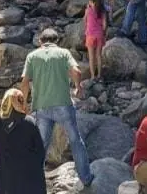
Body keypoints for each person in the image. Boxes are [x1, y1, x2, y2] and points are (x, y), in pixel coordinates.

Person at [20, 29, 94, 188]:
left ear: (41, 41)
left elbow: (25, 82)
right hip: (63, 105)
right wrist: (77, 87)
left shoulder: (32, 56)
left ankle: (34, 180)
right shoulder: (63, 53)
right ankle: (86, 178)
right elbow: (76, 71)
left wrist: (23, 104)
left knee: (41, 145)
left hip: (41, 106)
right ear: (57, 41)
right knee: (75, 141)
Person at [84, 0, 107, 80]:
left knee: (91, 57)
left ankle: (93, 76)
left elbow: (84, 20)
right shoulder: (103, 11)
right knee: (98, 56)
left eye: (89, 1)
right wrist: (103, 32)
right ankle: (99, 75)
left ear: (92, 2)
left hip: (90, 35)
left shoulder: (88, 10)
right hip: (100, 35)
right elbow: (104, 25)